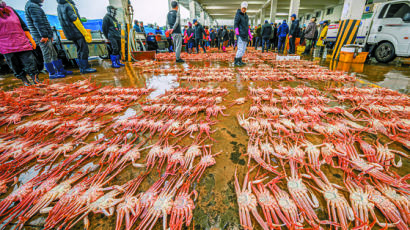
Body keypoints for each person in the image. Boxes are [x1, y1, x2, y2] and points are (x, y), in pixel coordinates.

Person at [25, 0, 72, 79]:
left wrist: (49, 35)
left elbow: (43, 22)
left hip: (45, 35)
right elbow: (38, 22)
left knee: (53, 54)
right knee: (47, 54)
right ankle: (52, 73)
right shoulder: (33, 6)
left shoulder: (33, 5)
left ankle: (60, 70)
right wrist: (44, 35)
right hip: (42, 36)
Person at [0, 0, 39, 85]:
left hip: (21, 42)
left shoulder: (11, 9)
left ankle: (35, 80)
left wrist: (31, 40)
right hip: (6, 46)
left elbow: (23, 26)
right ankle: (25, 81)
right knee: (15, 65)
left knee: (30, 62)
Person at [57, 0, 96, 74]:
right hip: (77, 32)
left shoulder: (59, 6)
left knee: (79, 49)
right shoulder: (69, 5)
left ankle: (82, 68)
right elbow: (75, 20)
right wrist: (84, 33)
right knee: (84, 50)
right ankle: (85, 68)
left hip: (69, 32)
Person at [234, 1, 252, 66]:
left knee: (243, 49)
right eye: (243, 8)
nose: (244, 9)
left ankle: (240, 60)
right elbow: (235, 24)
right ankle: (236, 61)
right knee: (240, 48)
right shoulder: (238, 15)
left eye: (245, 8)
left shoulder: (246, 16)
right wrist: (237, 32)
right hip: (240, 34)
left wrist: (249, 33)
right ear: (241, 8)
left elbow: (247, 26)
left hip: (245, 35)